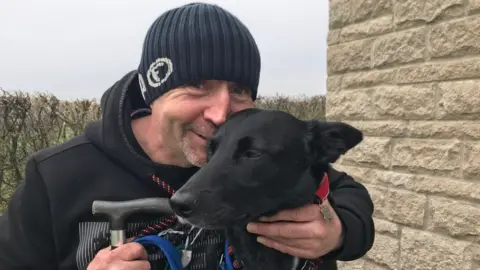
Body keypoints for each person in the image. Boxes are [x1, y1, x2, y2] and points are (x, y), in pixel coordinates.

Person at [0, 2, 374, 270]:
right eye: (197, 85)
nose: (220, 112)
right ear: (153, 91)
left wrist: (339, 233)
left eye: (240, 90)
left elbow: (346, 192)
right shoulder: (55, 177)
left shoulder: (264, 156)